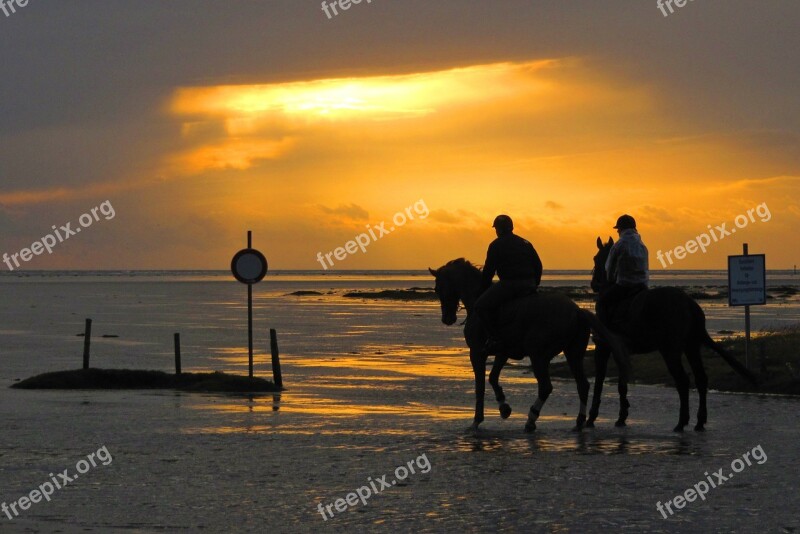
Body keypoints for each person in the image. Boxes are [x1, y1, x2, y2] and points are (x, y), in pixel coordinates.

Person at [474, 215, 543, 351]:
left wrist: (483, 290)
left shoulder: (496, 245)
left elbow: (489, 271)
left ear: (498, 229)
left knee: (480, 306)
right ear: (511, 227)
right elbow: (538, 265)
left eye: (496, 228)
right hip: (529, 284)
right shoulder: (525, 243)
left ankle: (494, 338)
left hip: (509, 284)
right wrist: (535, 284)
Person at [597, 214, 649, 329]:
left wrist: (610, 280)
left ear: (621, 229)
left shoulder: (618, 245)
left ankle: (605, 334)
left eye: (618, 229)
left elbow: (609, 268)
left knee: (602, 303)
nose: (617, 232)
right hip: (642, 286)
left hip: (625, 286)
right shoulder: (642, 246)